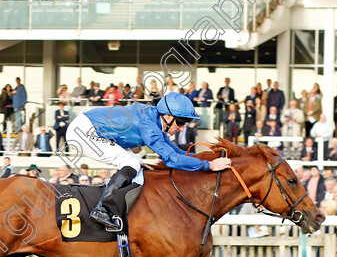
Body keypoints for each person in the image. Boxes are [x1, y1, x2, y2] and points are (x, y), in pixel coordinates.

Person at [66, 93, 232, 228]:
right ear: (167, 116)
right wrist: (208, 165)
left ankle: (112, 203)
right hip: (83, 132)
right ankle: (102, 208)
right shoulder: (149, 126)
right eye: (180, 122)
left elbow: (176, 152)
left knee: (134, 161)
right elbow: (172, 160)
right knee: (131, 163)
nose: (182, 128)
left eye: (185, 123)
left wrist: (206, 160)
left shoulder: (155, 119)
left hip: (93, 129)